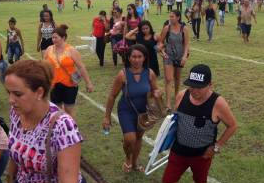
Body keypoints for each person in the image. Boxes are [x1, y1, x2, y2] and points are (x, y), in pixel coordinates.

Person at [162, 65, 237, 183]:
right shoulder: (182, 95)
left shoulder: (218, 102)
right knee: (168, 180)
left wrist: (216, 147)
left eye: (199, 87)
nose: (194, 91)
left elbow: (232, 125)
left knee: (200, 181)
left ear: (210, 85)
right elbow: (176, 119)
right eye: (191, 86)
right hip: (179, 149)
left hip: (202, 153)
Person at [103, 44, 161, 173]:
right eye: (133, 56)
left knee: (139, 137)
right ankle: (128, 157)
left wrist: (157, 92)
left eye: (139, 56)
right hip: (126, 110)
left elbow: (155, 89)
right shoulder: (122, 74)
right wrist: (107, 117)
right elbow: (112, 96)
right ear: (128, 58)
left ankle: (134, 163)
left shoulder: (150, 73)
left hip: (143, 111)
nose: (136, 60)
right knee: (130, 138)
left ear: (144, 58)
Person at [45, 25, 94, 117]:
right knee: (56, 110)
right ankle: (60, 130)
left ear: (63, 38)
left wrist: (88, 83)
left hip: (70, 85)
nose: (53, 40)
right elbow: (44, 65)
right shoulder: (49, 50)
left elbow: (81, 67)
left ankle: (72, 130)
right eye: (53, 37)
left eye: (56, 37)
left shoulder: (71, 51)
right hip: (54, 84)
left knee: (69, 111)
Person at [157, 10, 191, 110]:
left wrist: (185, 56)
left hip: (180, 56)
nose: (170, 18)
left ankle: (177, 97)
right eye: (170, 16)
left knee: (177, 78)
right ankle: (168, 104)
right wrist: (162, 52)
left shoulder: (184, 29)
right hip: (169, 56)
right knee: (168, 79)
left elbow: (186, 44)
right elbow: (160, 42)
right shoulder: (166, 28)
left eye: (172, 17)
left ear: (178, 17)